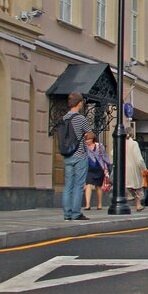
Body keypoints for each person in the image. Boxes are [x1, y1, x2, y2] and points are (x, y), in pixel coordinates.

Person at [61, 92, 92, 220]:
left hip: (67, 155)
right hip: (79, 154)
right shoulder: (80, 118)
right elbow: (90, 134)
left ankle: (66, 214)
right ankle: (76, 213)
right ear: (79, 103)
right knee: (78, 185)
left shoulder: (63, 118)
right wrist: (87, 136)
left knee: (68, 184)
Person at [83, 131, 111, 210]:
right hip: (88, 169)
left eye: (88, 139)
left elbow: (104, 156)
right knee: (88, 185)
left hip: (99, 168)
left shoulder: (99, 146)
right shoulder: (84, 147)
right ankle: (87, 205)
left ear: (92, 139)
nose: (87, 141)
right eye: (85, 140)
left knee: (98, 186)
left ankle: (99, 204)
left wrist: (107, 166)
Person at [124, 127, 147, 211]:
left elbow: (112, 153)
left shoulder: (120, 142)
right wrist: (144, 168)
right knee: (137, 187)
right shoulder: (134, 144)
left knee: (125, 185)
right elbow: (139, 159)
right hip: (133, 168)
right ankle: (138, 205)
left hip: (123, 168)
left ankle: (130, 201)